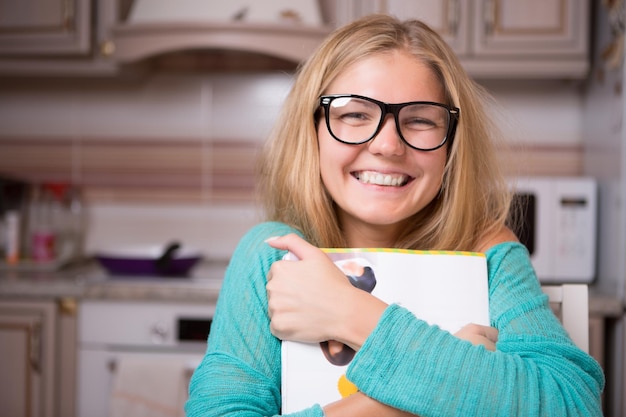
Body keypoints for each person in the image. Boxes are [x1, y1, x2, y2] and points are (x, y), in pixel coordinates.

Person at [185, 14, 604, 416]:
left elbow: (572, 404)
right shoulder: (271, 255)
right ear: (310, 129)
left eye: (420, 119)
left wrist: (348, 313)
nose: (387, 145)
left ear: (451, 144)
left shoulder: (487, 250)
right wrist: (421, 392)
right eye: (353, 114)